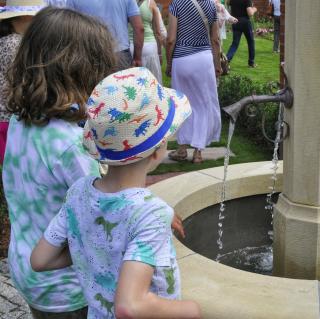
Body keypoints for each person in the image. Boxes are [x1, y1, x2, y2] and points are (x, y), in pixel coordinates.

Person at [31, 67, 201, 319]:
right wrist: (193, 310)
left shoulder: (78, 193)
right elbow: (130, 306)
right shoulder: (151, 214)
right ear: (157, 151)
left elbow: (40, 260)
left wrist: (93, 252)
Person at [3, 7, 116, 318]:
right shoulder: (71, 147)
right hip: (68, 287)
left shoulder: (22, 120)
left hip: (28, 267)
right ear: (81, 70)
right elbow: (104, 223)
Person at [166, 0, 222, 164]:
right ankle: (198, 153)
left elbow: (170, 39)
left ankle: (182, 149)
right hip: (204, 60)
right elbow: (216, 39)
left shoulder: (176, 4)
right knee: (204, 105)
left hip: (182, 60)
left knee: (182, 105)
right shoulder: (211, 5)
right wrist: (217, 64)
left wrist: (169, 63)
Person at [0, 0, 44, 165]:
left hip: (7, 115)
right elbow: (23, 82)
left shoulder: (10, 39)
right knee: (14, 167)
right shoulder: (15, 44)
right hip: (8, 117)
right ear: (26, 16)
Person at [66, 0, 145, 70]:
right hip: (121, 55)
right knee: (122, 86)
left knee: (93, 86)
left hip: (89, 55)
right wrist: (137, 58)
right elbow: (139, 29)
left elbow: (70, 29)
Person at [129, 0, 165, 83]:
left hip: (132, 46)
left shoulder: (127, 2)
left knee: (134, 83)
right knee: (153, 82)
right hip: (150, 48)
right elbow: (158, 32)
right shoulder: (151, 3)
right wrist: (159, 54)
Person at [225, 0, 257, 68]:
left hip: (235, 21)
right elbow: (250, 13)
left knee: (235, 43)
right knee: (251, 42)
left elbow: (228, 5)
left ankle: (226, 60)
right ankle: (251, 62)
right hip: (245, 22)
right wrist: (254, 9)